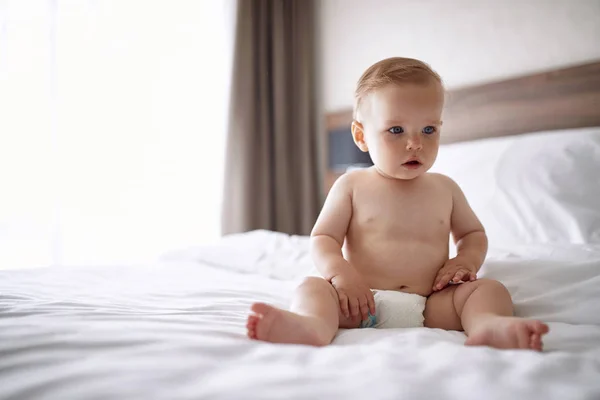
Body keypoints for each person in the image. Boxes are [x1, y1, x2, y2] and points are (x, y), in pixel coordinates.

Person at [246, 57, 549, 350]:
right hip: (361, 302)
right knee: (312, 288)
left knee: (488, 290)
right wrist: (341, 274)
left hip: (432, 304)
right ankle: (311, 325)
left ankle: (487, 325)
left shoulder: (446, 188)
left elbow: (472, 235)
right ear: (361, 136)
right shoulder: (351, 186)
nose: (415, 143)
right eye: (396, 130)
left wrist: (465, 262)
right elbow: (323, 238)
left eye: (429, 130)